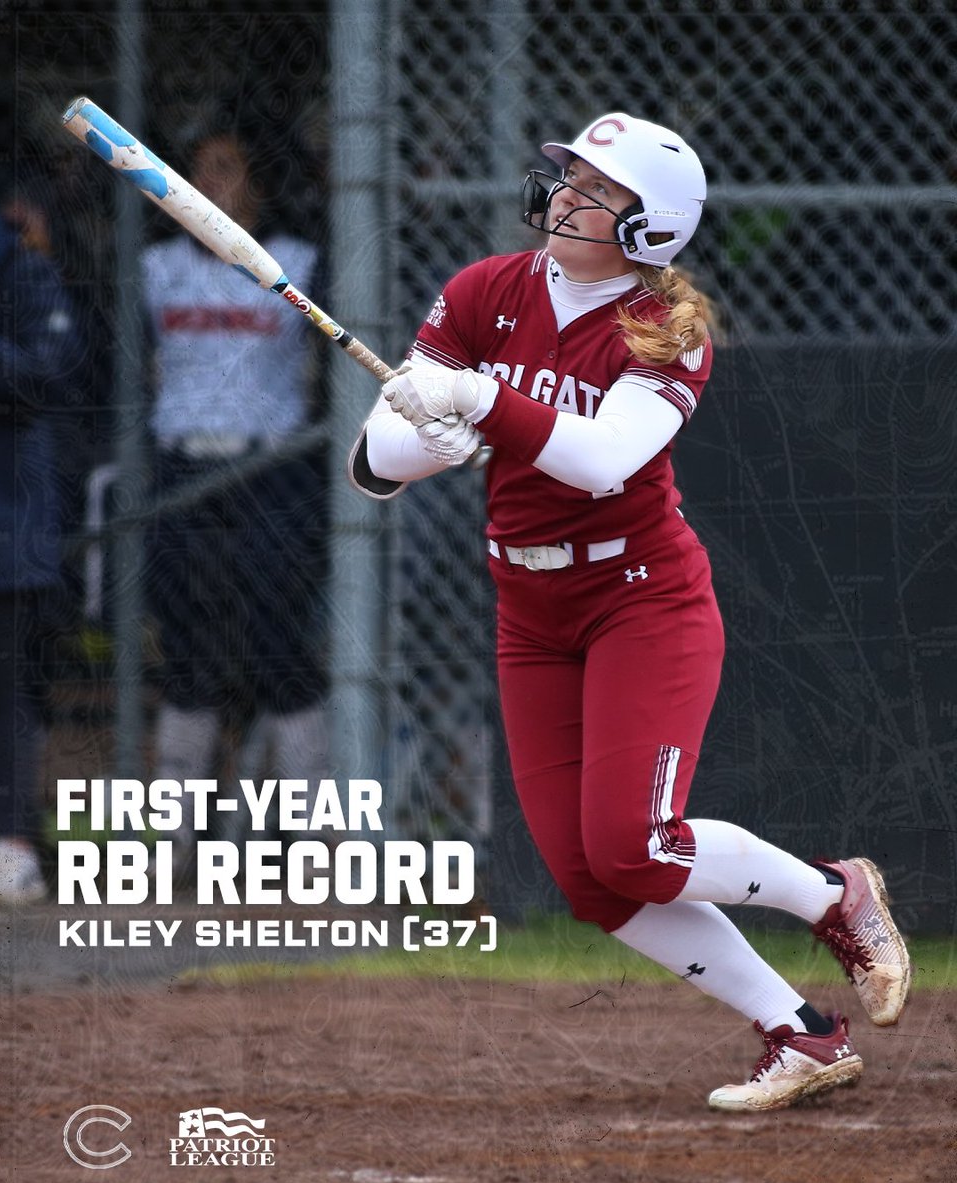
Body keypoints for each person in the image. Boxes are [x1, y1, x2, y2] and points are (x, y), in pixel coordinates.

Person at [348, 112, 911, 1112]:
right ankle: (802, 1034)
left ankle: (834, 894)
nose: (567, 194)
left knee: (636, 848)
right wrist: (421, 427)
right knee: (591, 880)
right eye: (568, 176)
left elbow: (604, 462)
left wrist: (476, 402)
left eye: (598, 189)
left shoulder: (668, 329)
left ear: (652, 227)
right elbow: (375, 469)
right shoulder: (486, 290)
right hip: (529, 608)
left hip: (639, 600)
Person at [142, 123, 329, 859]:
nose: (207, 185)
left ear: (255, 184)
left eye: (225, 169)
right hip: (182, 473)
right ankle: (174, 841)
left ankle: (316, 833)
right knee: (186, 651)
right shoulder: (155, 268)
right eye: (196, 173)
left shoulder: (298, 262)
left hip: (270, 472)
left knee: (278, 646)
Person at [0, 172, 82, 902]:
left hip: (10, 530)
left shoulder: (19, 266)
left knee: (12, 694)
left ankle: (12, 842)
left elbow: (43, 374)